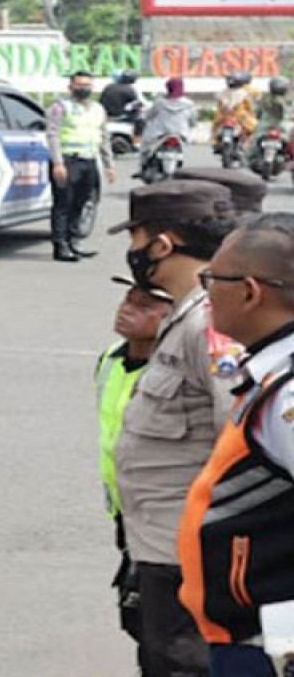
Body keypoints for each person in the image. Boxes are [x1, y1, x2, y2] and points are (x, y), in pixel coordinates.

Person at [108, 179, 242, 677]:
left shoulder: (211, 322)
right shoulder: (185, 314)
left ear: (162, 244)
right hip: (160, 544)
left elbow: (237, 440)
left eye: (136, 239)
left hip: (188, 554)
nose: (134, 252)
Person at [180, 212, 294, 677]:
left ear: (250, 291)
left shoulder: (288, 393)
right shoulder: (272, 372)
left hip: (268, 645)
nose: (204, 293)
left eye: (211, 279)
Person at [95, 275, 174, 674]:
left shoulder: (181, 370)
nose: (127, 308)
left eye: (145, 305)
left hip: (166, 521)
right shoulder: (110, 358)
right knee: (139, 618)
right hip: (127, 514)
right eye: (128, 299)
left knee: (170, 636)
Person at [47, 70, 117, 262]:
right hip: (68, 161)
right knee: (63, 204)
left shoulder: (97, 109)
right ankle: (60, 245)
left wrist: (109, 164)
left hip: (89, 161)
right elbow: (52, 135)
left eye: (87, 85)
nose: (83, 89)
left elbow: (104, 138)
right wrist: (58, 163)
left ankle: (73, 242)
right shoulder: (61, 107)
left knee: (82, 202)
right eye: (79, 85)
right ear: (71, 87)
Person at [141, 77, 197, 159]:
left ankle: (143, 164)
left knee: (145, 147)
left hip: (159, 133)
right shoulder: (189, 104)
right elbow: (193, 121)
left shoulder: (159, 103)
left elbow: (148, 116)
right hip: (181, 134)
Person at [214, 72, 259, 146]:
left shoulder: (222, 92)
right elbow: (250, 107)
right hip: (239, 117)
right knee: (253, 127)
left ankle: (216, 142)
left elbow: (219, 106)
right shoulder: (244, 93)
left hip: (224, 117)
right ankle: (246, 143)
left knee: (215, 126)